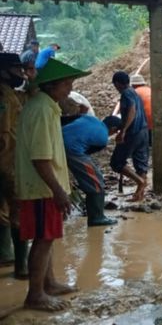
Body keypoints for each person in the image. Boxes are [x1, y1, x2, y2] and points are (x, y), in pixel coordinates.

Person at [15, 58, 89, 311]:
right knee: (43, 239)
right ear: (52, 86)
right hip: (42, 188)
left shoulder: (45, 106)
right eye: (67, 84)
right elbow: (40, 158)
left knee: (46, 236)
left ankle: (49, 283)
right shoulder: (43, 110)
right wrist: (58, 190)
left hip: (44, 185)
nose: (69, 88)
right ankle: (35, 295)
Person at [60, 102, 117, 227]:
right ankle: (97, 218)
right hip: (72, 150)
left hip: (57, 140)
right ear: (113, 130)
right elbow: (85, 154)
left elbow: (67, 120)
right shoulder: (103, 138)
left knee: (90, 177)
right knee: (96, 182)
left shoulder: (90, 118)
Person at [0, 53, 28, 279]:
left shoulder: (12, 94)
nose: (21, 74)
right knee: (17, 212)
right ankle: (22, 266)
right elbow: (4, 137)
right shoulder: (4, 97)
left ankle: (5, 254)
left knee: (4, 211)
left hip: (9, 162)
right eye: (17, 69)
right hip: (8, 164)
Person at [110, 71, 149, 201]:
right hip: (144, 131)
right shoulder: (134, 92)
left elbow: (132, 110)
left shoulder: (126, 94)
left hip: (133, 133)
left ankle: (140, 182)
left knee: (116, 163)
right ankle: (139, 195)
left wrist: (124, 130)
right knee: (141, 164)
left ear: (117, 84)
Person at [130, 75, 153, 145]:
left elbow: (131, 110)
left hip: (144, 124)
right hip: (156, 121)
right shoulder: (149, 89)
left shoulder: (134, 92)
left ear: (133, 85)